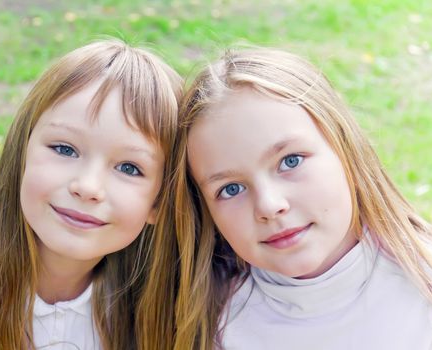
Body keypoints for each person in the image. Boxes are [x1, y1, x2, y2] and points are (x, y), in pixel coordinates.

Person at [0, 39, 182, 350]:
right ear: (21, 152)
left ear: (160, 201)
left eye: (129, 168)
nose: (88, 187)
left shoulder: (170, 304)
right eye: (65, 149)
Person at [172, 46, 432, 349]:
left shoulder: (422, 283)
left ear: (344, 148)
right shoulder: (207, 324)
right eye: (231, 189)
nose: (269, 206)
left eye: (290, 161)